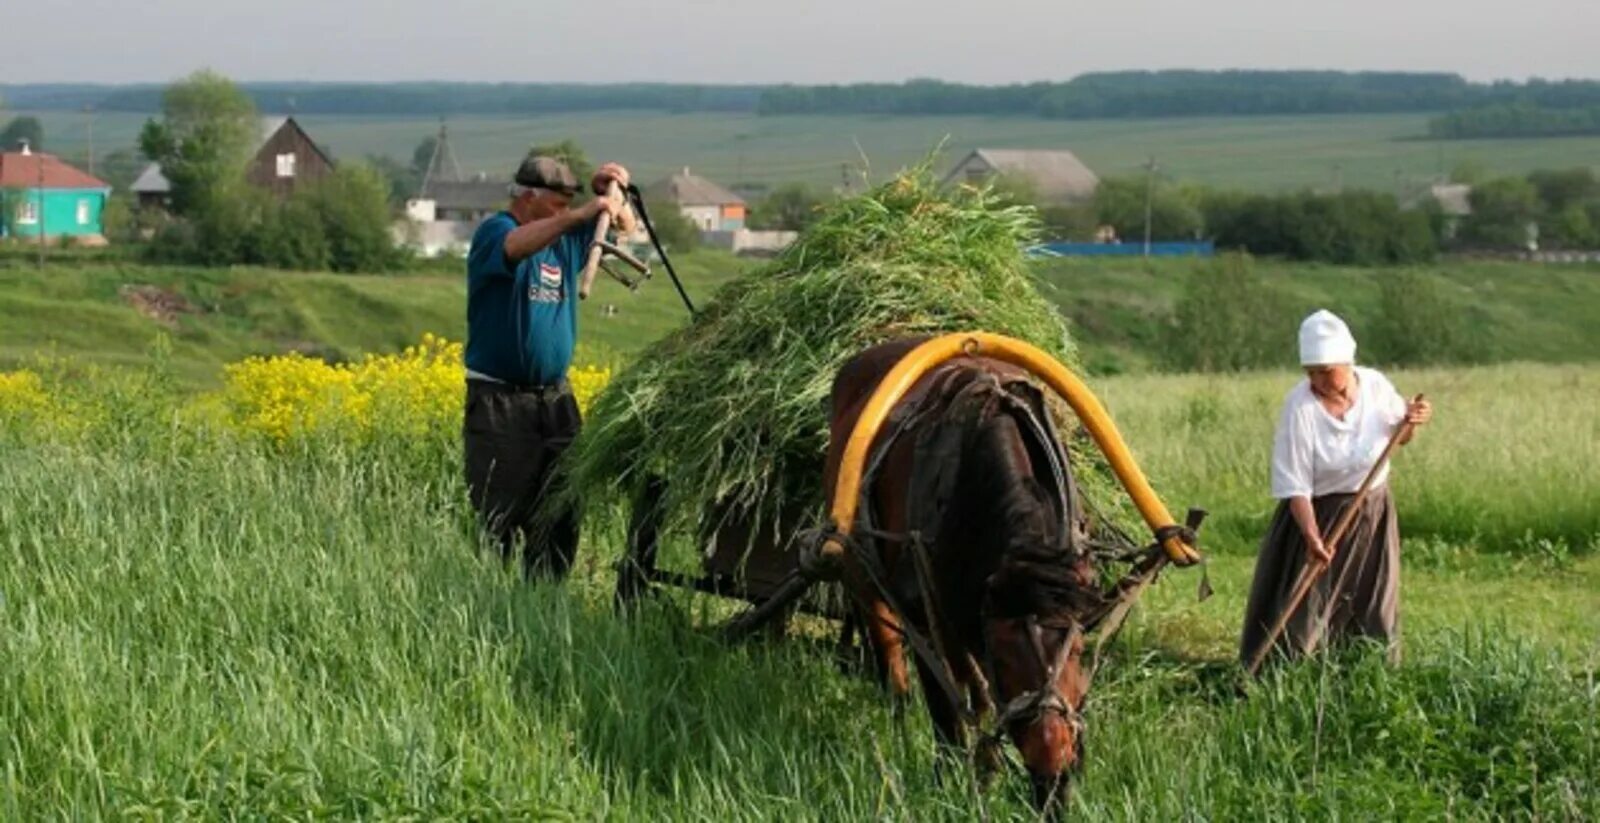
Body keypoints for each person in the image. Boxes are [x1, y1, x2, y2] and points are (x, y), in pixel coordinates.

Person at [463, 152, 635, 579]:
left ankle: (546, 598)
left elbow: (624, 227)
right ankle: (490, 601)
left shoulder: (566, 238)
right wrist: (578, 213)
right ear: (528, 196)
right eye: (557, 203)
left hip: (555, 400)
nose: (565, 211)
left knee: (561, 508)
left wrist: (614, 193)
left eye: (567, 204)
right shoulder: (496, 231)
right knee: (500, 512)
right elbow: (515, 247)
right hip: (501, 402)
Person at [1239, 310, 1433, 667]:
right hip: (1318, 515)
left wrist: (1412, 421)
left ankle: (1368, 669)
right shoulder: (1300, 408)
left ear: (1347, 361)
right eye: (1311, 372)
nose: (1318, 380)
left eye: (1326, 371)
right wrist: (1312, 537)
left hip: (1372, 511)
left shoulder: (1374, 386)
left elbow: (1398, 436)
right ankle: (1285, 673)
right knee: (1308, 605)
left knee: (1373, 597)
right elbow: (1295, 484)